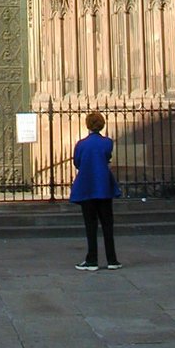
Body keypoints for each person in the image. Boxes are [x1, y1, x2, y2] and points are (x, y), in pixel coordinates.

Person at [69, 111, 122, 271]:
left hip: (87, 186)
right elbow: (107, 157)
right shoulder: (107, 142)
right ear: (102, 124)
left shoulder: (81, 144)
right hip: (104, 187)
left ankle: (92, 260)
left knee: (90, 225)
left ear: (87, 125)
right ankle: (112, 260)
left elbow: (77, 162)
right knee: (107, 224)